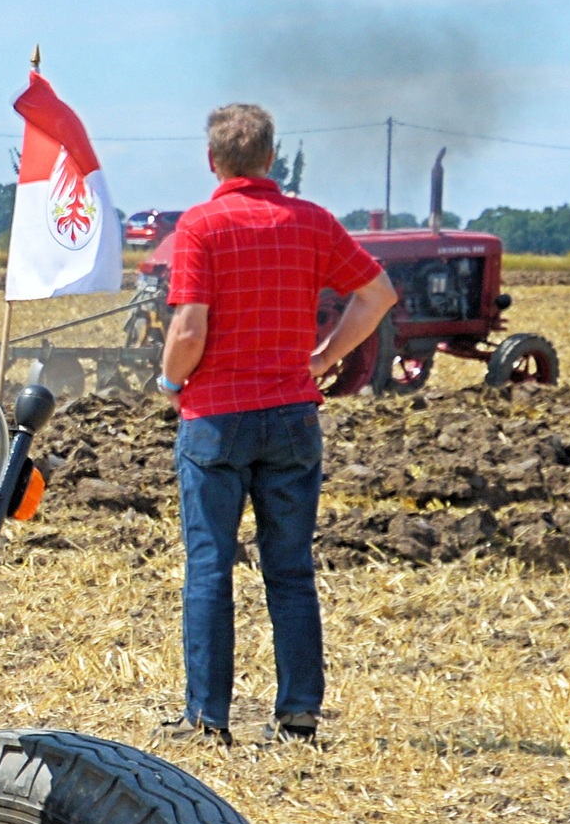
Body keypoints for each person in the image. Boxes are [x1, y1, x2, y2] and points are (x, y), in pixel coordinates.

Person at [156, 104, 397, 742]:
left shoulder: (201, 226)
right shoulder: (312, 223)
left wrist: (170, 381)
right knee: (289, 566)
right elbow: (378, 295)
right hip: (292, 413)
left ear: (213, 161)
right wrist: (327, 357)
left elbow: (187, 328)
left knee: (209, 565)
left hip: (215, 418)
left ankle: (208, 717)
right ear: (271, 159)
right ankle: (297, 710)